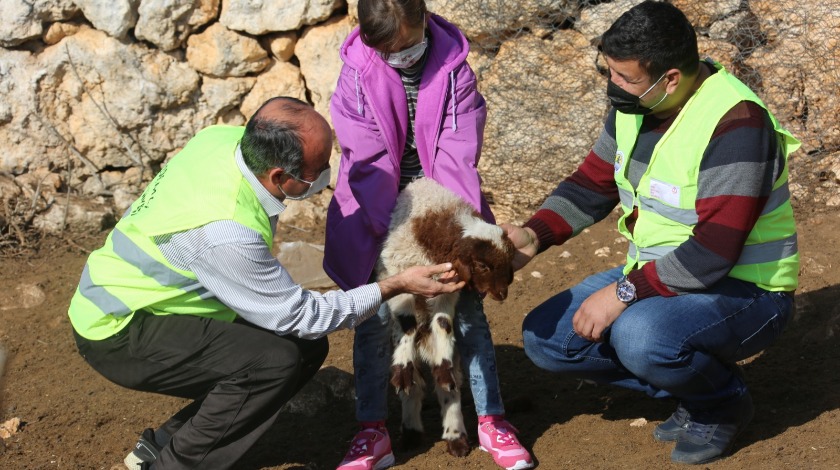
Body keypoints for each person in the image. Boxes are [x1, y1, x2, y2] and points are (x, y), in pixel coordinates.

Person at [67, 96, 466, 470]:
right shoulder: (226, 232)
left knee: (304, 348)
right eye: (317, 171)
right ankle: (176, 465)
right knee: (273, 363)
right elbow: (303, 316)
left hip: (153, 298)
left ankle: (162, 445)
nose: (325, 177)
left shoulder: (223, 140)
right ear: (279, 175)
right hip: (118, 329)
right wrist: (394, 285)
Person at [503, 1, 800, 465]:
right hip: (664, 277)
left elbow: (714, 251)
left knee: (640, 337)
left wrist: (623, 292)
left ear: (671, 79)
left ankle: (721, 401)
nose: (612, 86)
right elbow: (592, 183)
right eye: (610, 72)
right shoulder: (636, 107)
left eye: (625, 78)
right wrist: (534, 235)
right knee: (548, 338)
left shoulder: (736, 122)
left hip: (748, 291)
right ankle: (693, 387)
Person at [323, 1, 533, 469]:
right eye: (390, 52)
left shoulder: (454, 64)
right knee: (377, 311)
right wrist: (390, 240)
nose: (401, 57)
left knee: (467, 310)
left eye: (408, 47)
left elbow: (459, 148)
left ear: (424, 20)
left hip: (443, 201)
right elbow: (367, 160)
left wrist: (454, 234)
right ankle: (372, 429)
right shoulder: (357, 72)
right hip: (384, 210)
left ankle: (491, 420)